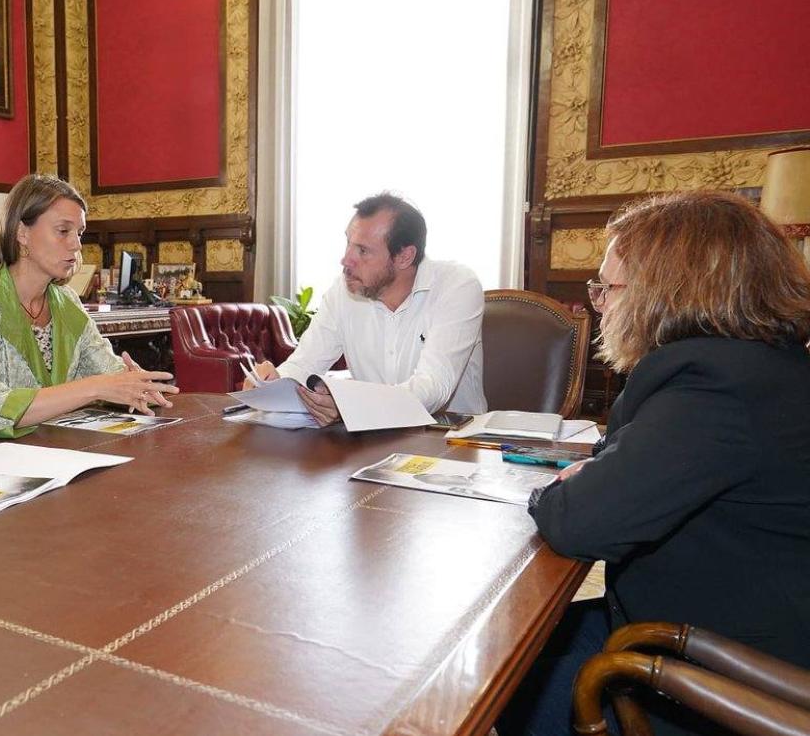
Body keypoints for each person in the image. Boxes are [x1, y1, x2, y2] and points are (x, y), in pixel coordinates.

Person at [500, 191, 810, 736]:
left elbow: (580, 521)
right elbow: (624, 462)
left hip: (734, 674)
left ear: (665, 293)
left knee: (500, 675)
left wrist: (552, 492)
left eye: (607, 287)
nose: (600, 304)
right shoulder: (760, 364)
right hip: (720, 624)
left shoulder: (715, 387)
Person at [0, 174, 178, 438]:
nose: (76, 244)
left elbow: (107, 371)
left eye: (79, 233)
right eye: (63, 231)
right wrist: (96, 387)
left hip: (56, 450)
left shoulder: (67, 302)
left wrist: (136, 384)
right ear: (22, 233)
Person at [247, 191, 485, 425]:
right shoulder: (343, 291)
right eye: (348, 244)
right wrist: (273, 382)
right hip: (371, 442)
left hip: (450, 444)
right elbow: (303, 364)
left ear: (404, 256)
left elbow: (433, 389)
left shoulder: (457, 286)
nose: (345, 260)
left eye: (362, 251)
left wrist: (348, 404)